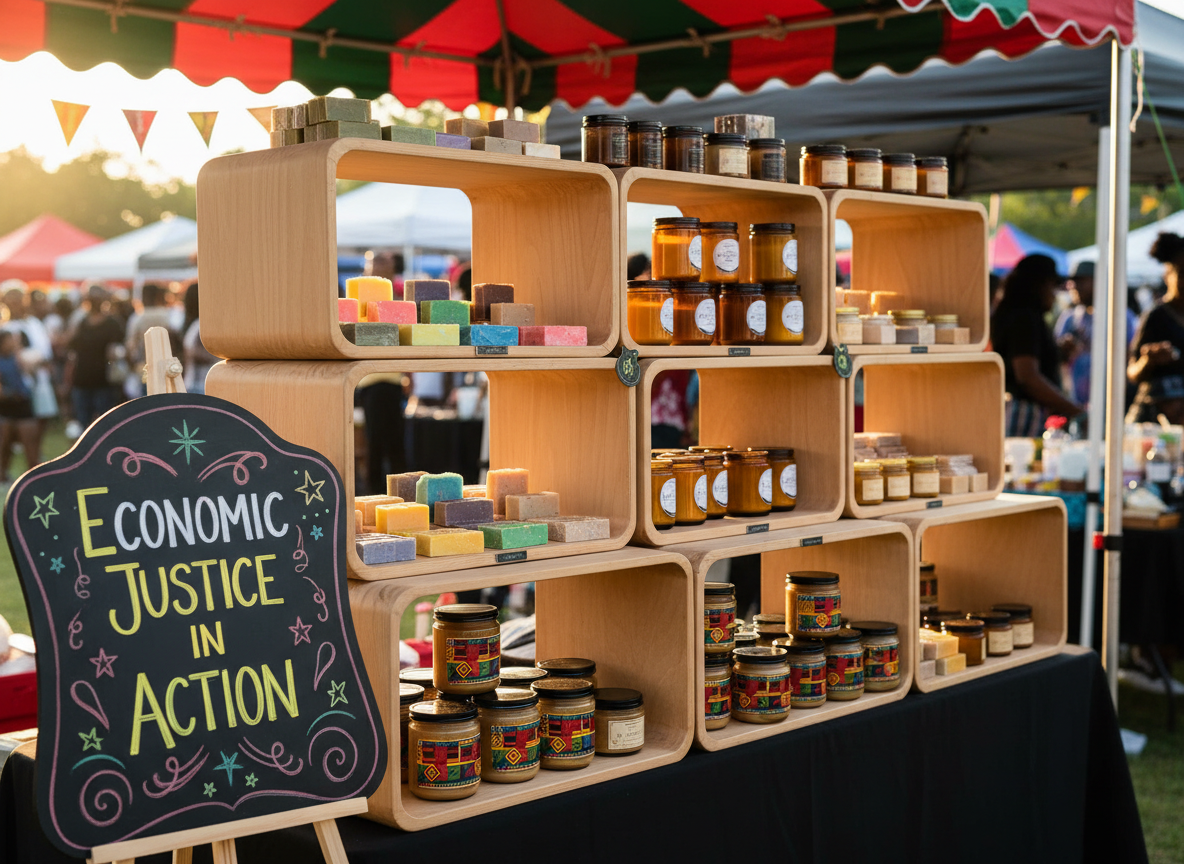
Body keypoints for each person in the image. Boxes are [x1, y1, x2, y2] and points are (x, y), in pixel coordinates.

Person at [990, 254, 1083, 436]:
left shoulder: (1015, 314)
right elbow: (1027, 376)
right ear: (1039, 285)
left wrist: (1058, 353)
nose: (1055, 294)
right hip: (1024, 415)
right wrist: (1076, 410)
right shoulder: (1023, 317)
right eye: (1053, 286)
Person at [1054, 260, 1138, 406]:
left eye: (1081, 282)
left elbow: (1131, 356)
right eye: (1073, 283)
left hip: (1113, 402)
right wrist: (1063, 349)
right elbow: (1055, 357)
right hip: (1075, 403)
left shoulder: (1121, 317)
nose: (1074, 287)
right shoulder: (1069, 318)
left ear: (1099, 282)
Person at [1128, 233, 1184, 422]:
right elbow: (1132, 372)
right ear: (1168, 275)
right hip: (1154, 421)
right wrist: (1148, 360)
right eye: (1182, 273)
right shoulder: (1155, 317)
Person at [67, 285, 124, 432]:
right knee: (83, 425)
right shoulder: (81, 322)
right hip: (82, 378)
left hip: (103, 380)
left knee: (105, 425)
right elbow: (71, 346)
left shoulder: (112, 323)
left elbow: (117, 349)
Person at [125, 283, 175, 398]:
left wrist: (132, 367)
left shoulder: (137, 318)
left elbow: (130, 346)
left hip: (144, 370)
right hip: (168, 369)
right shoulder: (168, 316)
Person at [0, 330, 38, 478]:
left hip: (23, 405)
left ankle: (34, 477)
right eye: (9, 340)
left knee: (30, 445)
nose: (12, 343)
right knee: (4, 445)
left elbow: (31, 371)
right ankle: (3, 476)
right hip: (5, 408)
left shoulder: (20, 357)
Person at [181, 284, 218, 395]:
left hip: (194, 384)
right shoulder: (200, 325)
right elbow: (191, 351)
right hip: (199, 385)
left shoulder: (194, 325)